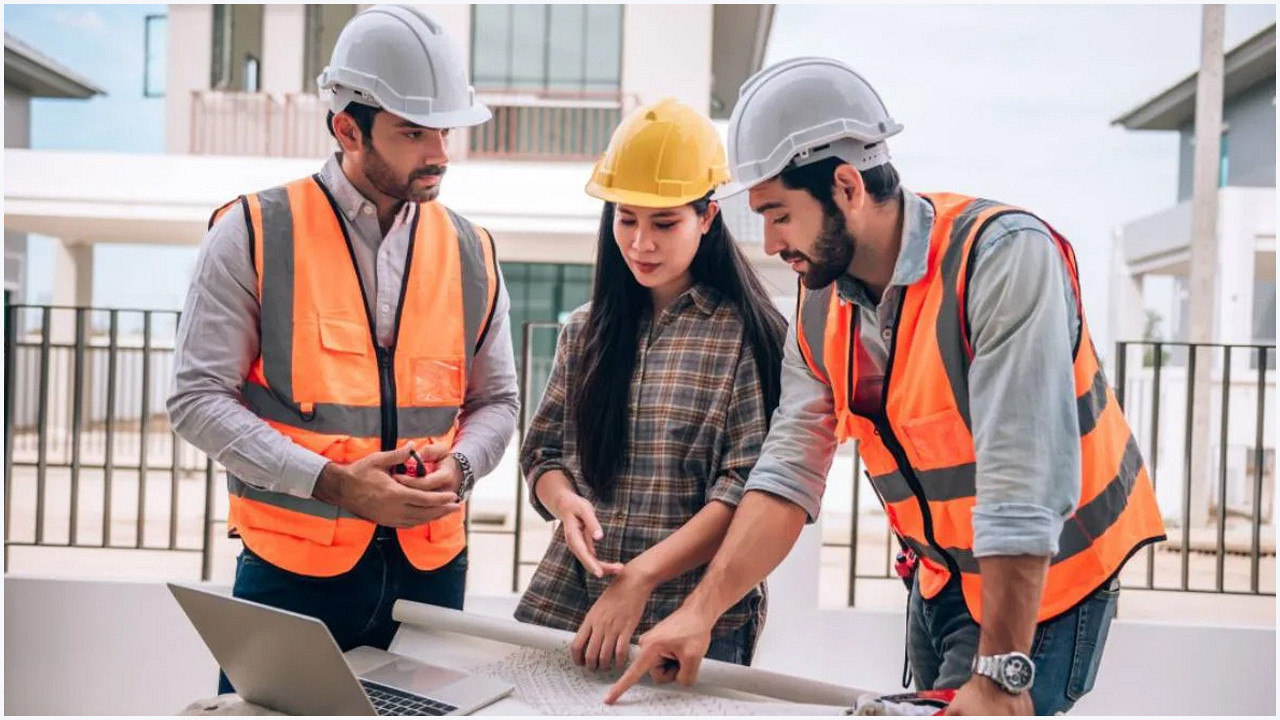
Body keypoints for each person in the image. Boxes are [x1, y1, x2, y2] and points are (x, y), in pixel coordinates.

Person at [606, 57, 1166, 715]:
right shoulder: (819, 307)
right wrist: (701, 613)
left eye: (780, 214)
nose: (769, 240)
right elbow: (786, 475)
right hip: (942, 581)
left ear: (846, 186)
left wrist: (1003, 674)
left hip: (1047, 581)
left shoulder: (1002, 258)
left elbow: (1023, 478)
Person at [166, 5, 518, 694]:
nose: (440, 152)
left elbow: (498, 399)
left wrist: (466, 469)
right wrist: (334, 485)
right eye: (414, 132)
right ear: (347, 128)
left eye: (445, 128)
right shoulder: (253, 232)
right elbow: (195, 398)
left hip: (432, 573)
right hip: (291, 576)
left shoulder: (471, 250)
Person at [514, 98, 787, 672]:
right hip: (575, 606)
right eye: (626, 219)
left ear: (708, 217)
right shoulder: (586, 330)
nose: (641, 244)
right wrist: (566, 505)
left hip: (692, 622)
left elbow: (743, 492)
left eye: (664, 223)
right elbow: (542, 453)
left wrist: (642, 576)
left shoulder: (747, 338)